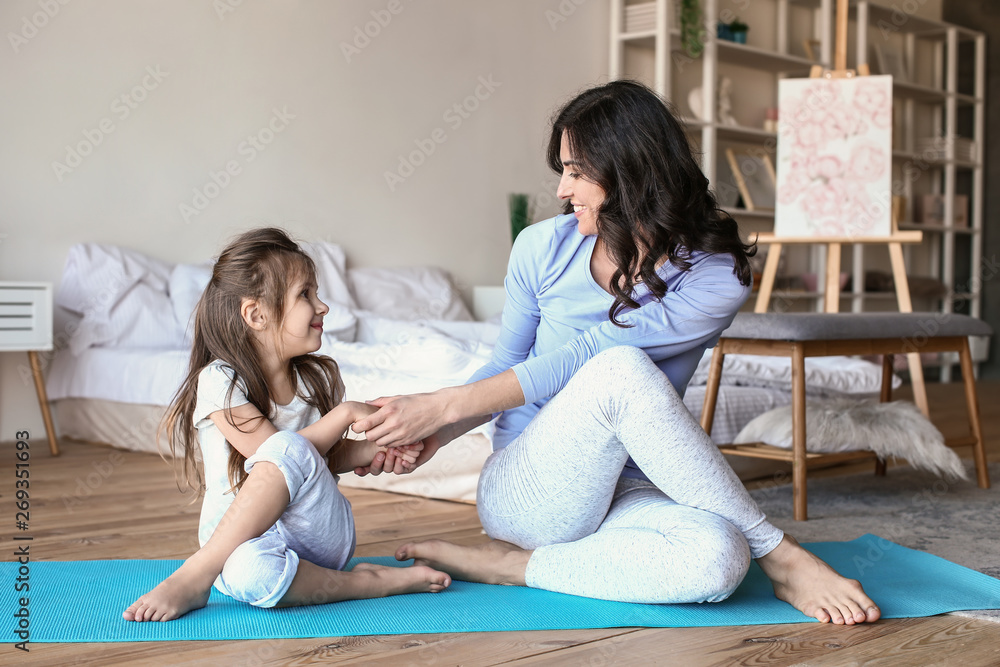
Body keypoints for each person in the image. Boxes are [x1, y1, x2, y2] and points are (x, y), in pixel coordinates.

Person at [355, 81, 881, 625]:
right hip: (529, 489)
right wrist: (434, 434)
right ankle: (784, 556)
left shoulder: (714, 275)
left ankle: (515, 568)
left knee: (720, 558)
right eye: (563, 170)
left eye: (578, 171)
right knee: (622, 370)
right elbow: (507, 368)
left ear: (631, 172)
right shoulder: (541, 248)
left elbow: (596, 348)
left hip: (629, 487)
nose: (562, 190)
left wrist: (440, 406)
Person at [123, 228, 450, 622]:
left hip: (318, 534)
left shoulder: (318, 380)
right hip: (237, 545)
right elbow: (273, 453)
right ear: (256, 314)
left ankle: (196, 575)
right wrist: (345, 414)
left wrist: (376, 450)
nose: (323, 306)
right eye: (305, 294)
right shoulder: (219, 382)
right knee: (250, 575)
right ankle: (370, 582)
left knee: (292, 450)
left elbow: (312, 461)